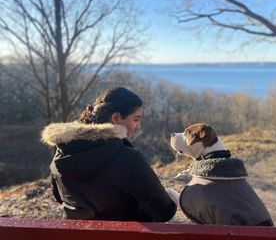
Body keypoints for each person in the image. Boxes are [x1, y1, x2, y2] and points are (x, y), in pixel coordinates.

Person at [41, 87, 177, 221]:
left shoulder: (62, 151)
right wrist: (170, 196)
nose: (138, 126)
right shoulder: (128, 159)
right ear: (116, 117)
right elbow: (163, 212)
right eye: (136, 119)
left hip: (74, 234)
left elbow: (59, 196)